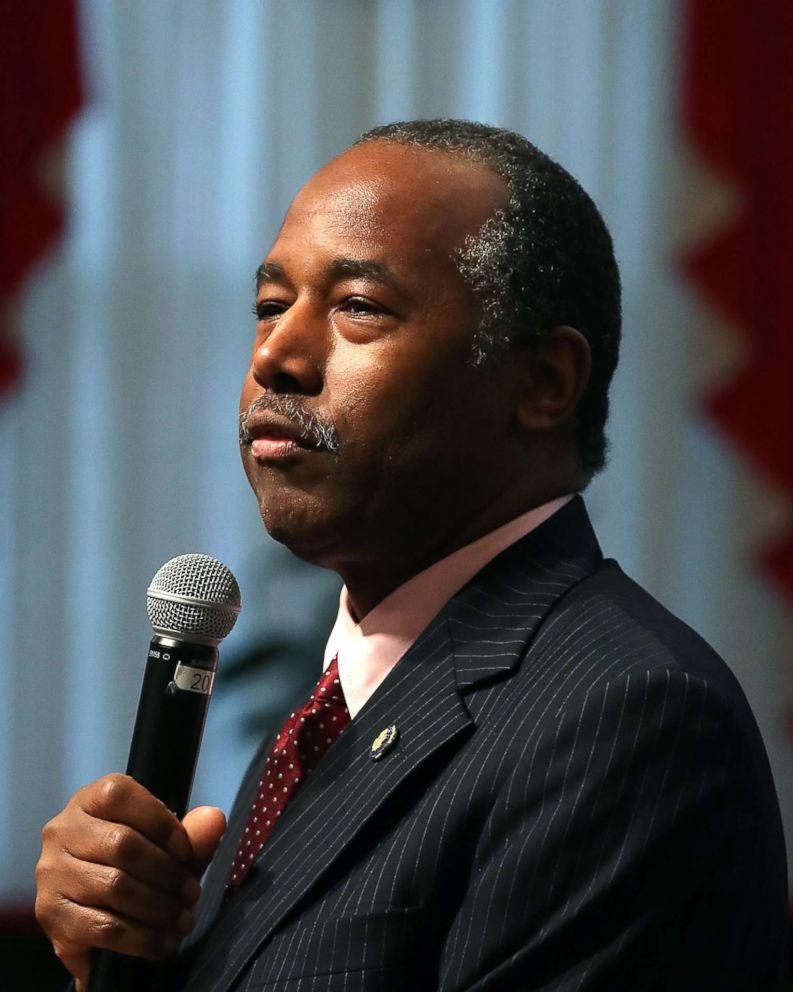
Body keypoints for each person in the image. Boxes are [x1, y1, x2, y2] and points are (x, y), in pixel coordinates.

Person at [35, 119, 788, 991]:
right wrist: (124, 956)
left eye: (358, 306)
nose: (276, 353)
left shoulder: (626, 717)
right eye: (269, 307)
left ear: (542, 383)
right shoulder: (343, 702)